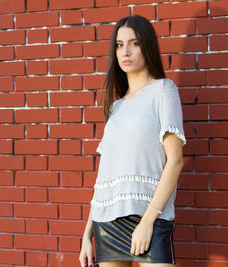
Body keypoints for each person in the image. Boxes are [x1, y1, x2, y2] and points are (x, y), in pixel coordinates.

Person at [79, 15, 186, 267]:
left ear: (146, 46)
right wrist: (86, 234)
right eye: (119, 44)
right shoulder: (116, 108)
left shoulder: (163, 90)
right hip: (107, 225)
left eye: (134, 43)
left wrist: (148, 221)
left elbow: (176, 161)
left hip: (150, 218)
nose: (125, 51)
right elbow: (105, 177)